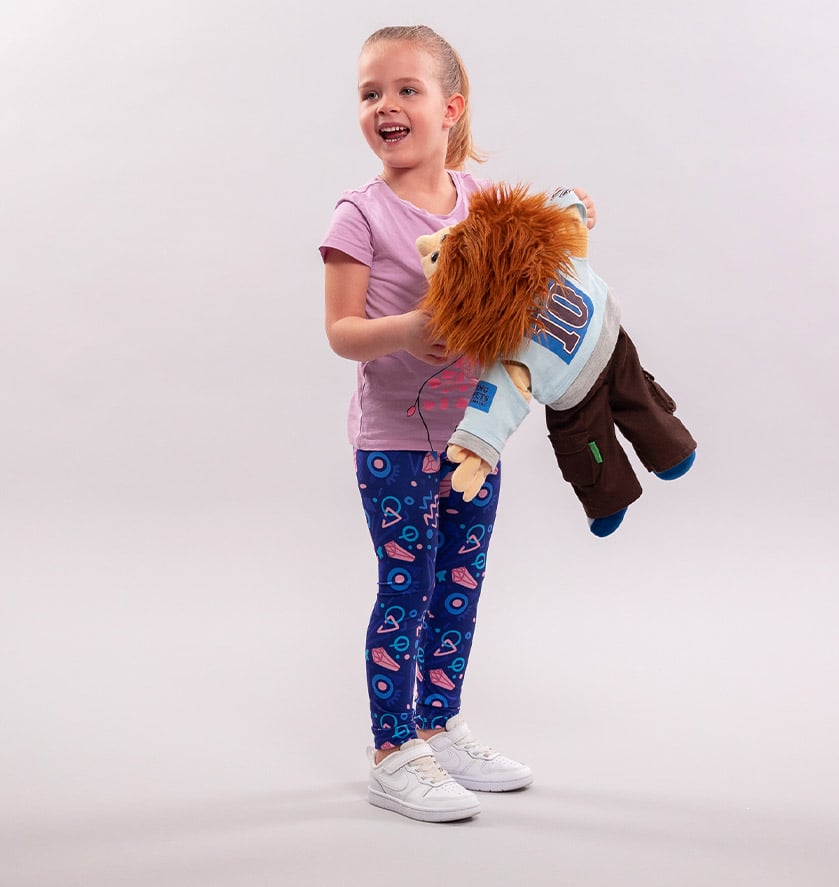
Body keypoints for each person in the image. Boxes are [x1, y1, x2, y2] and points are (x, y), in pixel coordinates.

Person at [319, 25, 596, 823]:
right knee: (405, 590)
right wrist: (407, 330)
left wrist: (573, 216)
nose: (385, 105)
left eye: (405, 89)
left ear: (450, 108)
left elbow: (536, 265)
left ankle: (438, 726)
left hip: (475, 439)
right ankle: (392, 749)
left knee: (458, 587)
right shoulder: (358, 215)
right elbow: (340, 332)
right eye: (370, 93)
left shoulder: (483, 204)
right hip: (394, 442)